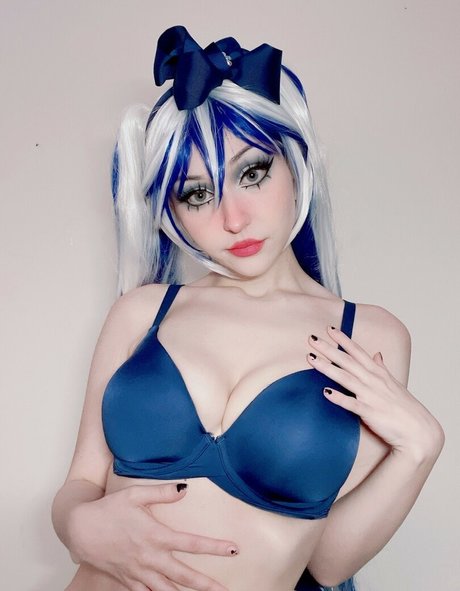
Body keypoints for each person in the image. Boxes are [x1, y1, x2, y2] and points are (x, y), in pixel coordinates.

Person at [51, 25, 444, 591]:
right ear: (171, 212)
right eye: (197, 194)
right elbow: (82, 483)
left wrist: (420, 449)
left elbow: (327, 563)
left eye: (252, 174)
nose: (232, 219)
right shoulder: (142, 314)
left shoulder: (370, 334)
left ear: (297, 166)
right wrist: (78, 526)